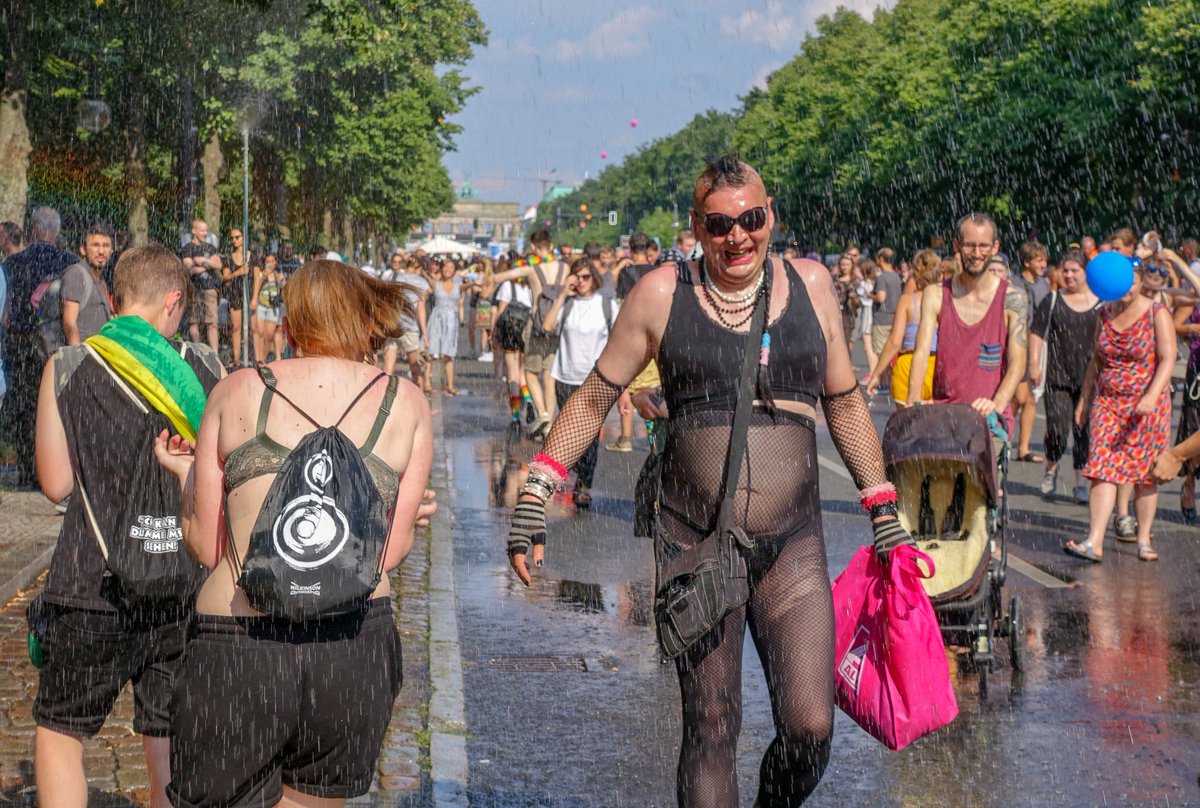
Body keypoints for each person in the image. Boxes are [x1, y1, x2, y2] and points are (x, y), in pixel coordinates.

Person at [506, 157, 913, 806]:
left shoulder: (810, 283)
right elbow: (592, 398)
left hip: (793, 544)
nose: (738, 237)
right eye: (720, 224)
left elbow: (844, 401)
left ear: (770, 215)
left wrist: (882, 505)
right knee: (713, 723)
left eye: (751, 220)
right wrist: (534, 495)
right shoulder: (662, 294)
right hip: (695, 543)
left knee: (810, 724)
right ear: (696, 227)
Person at [154, 259, 432, 806]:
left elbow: (207, 545)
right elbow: (390, 552)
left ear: (288, 322)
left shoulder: (236, 391)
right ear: (363, 320)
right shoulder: (407, 403)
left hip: (241, 643)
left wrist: (189, 479)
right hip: (351, 647)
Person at [33, 245, 223, 808]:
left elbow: (56, 484)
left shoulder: (69, 366)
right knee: (165, 733)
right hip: (180, 583)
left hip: (91, 583)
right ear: (175, 301)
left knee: (63, 732)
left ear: (114, 300)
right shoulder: (208, 370)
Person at [1065, 258, 1175, 562]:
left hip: (1146, 405)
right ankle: (1094, 541)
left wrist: (1152, 395)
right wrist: (1085, 398)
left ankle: (1143, 539)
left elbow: (1168, 358)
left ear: (1139, 281)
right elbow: (1097, 359)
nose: (1125, 290)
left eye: (1130, 283)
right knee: (1101, 468)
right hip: (1108, 401)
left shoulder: (1157, 312)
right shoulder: (1104, 313)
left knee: (1145, 473)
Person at [906, 213, 1027, 437]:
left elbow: (1018, 362)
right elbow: (921, 352)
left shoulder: (1013, 299)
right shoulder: (936, 294)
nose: (977, 253)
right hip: (944, 416)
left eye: (983, 246)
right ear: (957, 245)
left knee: (988, 471)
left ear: (995, 247)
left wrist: (997, 404)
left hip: (989, 423)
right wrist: (913, 400)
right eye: (970, 245)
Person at [2, 207, 76, 487]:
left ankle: (27, 469)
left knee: (24, 409)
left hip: (19, 345)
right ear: (55, 232)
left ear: (33, 229)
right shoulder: (69, 262)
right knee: (52, 408)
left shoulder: (13, 264)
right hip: (54, 348)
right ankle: (51, 471)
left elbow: (6, 311)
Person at [541, 258, 618, 507]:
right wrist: (563, 294)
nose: (581, 281)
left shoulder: (606, 305)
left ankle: (584, 483)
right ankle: (576, 475)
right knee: (568, 433)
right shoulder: (569, 304)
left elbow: (618, 340)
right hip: (565, 376)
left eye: (586, 277)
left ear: (594, 278)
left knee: (590, 435)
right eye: (577, 277)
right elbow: (547, 325)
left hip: (594, 379)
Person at [1029, 249, 1100, 503]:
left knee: (1084, 432)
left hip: (1090, 379)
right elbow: (1036, 332)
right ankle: (1051, 469)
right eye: (1065, 270)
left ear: (1085, 273)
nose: (1069, 275)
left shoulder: (1101, 301)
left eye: (1075, 271)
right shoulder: (1052, 299)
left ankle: (1081, 482)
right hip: (1058, 376)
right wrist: (1034, 364)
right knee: (1057, 429)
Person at [865, 249, 943, 406]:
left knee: (908, 425)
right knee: (937, 425)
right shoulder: (946, 300)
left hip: (908, 365)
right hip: (937, 367)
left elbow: (894, 341)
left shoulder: (907, 301)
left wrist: (876, 374)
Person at [1009, 241, 1051, 463]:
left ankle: (1023, 448)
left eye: (1044, 260)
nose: (1044, 264)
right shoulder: (1014, 283)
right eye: (1039, 260)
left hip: (1038, 344)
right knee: (1016, 397)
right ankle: (1005, 442)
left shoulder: (1044, 285)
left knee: (1032, 398)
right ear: (1026, 262)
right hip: (1017, 343)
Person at [61, 222, 115, 345]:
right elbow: (69, 324)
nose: (101, 251)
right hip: (82, 358)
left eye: (106, 246)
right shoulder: (75, 275)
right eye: (95, 245)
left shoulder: (101, 282)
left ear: (111, 250)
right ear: (83, 250)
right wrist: (78, 360)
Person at [380, 256, 431, 389]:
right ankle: (418, 398)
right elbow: (421, 309)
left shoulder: (393, 277)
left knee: (388, 369)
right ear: (419, 268)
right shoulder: (421, 282)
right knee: (414, 366)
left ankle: (383, 402)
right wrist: (425, 334)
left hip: (393, 325)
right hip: (410, 327)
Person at [179, 219, 223, 353]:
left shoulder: (210, 248)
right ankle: (197, 351)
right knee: (194, 322)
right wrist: (208, 265)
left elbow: (219, 265)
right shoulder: (187, 249)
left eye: (206, 230)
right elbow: (190, 269)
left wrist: (202, 261)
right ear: (194, 231)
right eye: (202, 230)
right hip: (194, 289)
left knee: (213, 323)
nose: (205, 233)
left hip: (210, 289)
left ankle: (215, 354)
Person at [426, 257, 464, 395]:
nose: (448, 270)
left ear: (455, 271)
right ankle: (426, 383)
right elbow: (423, 294)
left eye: (451, 268)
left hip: (451, 322)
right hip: (436, 319)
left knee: (449, 354)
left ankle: (450, 385)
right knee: (430, 351)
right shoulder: (435, 283)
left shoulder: (459, 285)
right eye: (446, 267)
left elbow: (474, 287)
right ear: (441, 268)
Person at [222, 228, 255, 367]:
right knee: (236, 327)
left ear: (244, 238)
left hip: (249, 293)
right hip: (235, 293)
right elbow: (226, 276)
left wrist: (255, 297)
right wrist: (238, 272)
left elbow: (258, 277)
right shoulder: (229, 257)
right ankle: (236, 359)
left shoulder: (252, 255)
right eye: (232, 238)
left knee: (251, 328)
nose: (234, 240)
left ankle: (252, 357)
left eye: (237, 237)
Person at [869, 248, 901, 373]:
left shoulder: (882, 278)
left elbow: (881, 297)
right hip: (894, 318)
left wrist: (870, 295)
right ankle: (891, 380)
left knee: (881, 353)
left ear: (881, 259)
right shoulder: (896, 277)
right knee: (892, 352)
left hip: (882, 318)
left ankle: (882, 382)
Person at [251, 253, 285, 364]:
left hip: (273, 307)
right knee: (260, 332)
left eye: (272, 261)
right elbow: (257, 284)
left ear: (275, 263)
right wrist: (254, 299)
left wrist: (282, 280)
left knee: (269, 335)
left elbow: (283, 287)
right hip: (262, 306)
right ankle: (259, 359)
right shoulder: (262, 273)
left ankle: (263, 359)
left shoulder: (277, 274)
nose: (269, 264)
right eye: (267, 262)